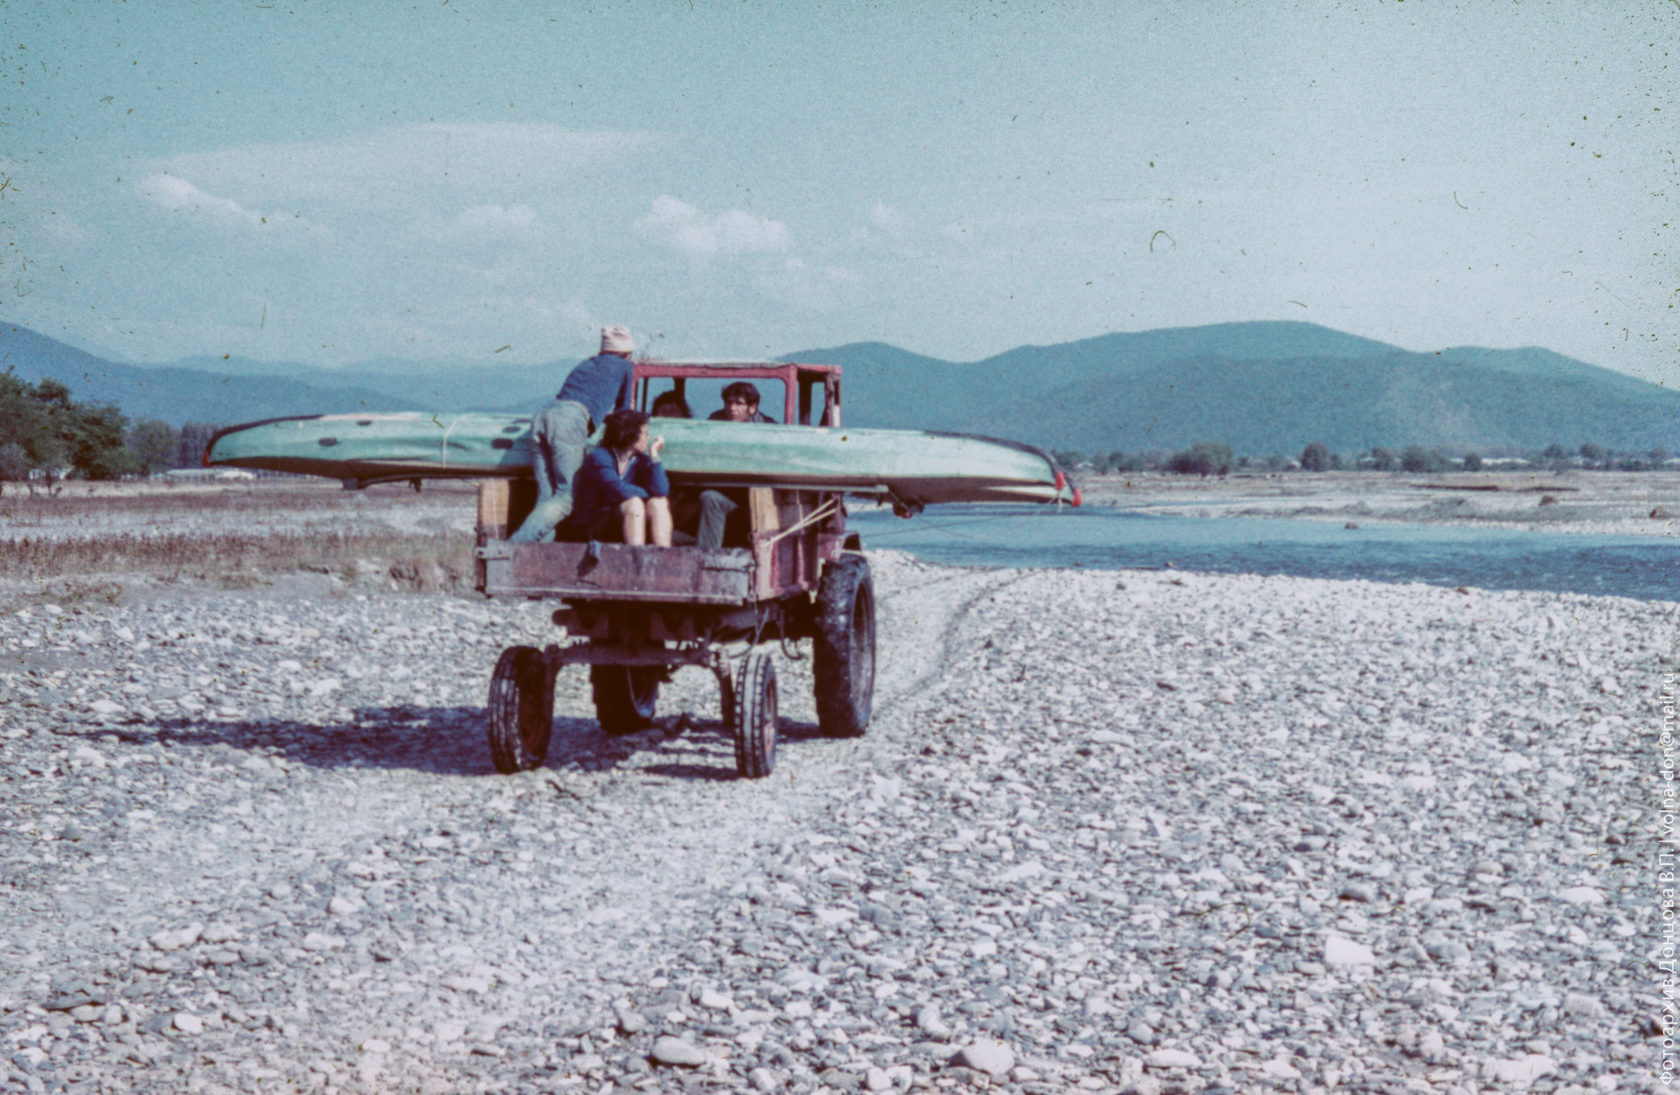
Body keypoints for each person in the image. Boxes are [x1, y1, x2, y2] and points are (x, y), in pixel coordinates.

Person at [509, 325, 637, 542]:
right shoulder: (625, 366)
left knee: (547, 498)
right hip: (570, 421)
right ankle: (513, 546)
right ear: (627, 353)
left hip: (544, 415)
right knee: (566, 498)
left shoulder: (586, 364)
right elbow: (624, 414)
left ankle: (536, 556)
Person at [558, 408, 673, 546]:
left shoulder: (640, 460)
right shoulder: (599, 458)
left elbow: (661, 491)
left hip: (626, 521)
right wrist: (648, 493)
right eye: (645, 433)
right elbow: (618, 489)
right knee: (634, 504)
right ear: (630, 434)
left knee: (658, 503)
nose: (648, 438)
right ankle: (636, 559)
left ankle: (664, 558)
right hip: (594, 524)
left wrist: (654, 455)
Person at [697, 381, 775, 549]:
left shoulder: (768, 429)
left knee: (711, 498)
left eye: (739, 404)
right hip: (726, 496)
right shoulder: (714, 422)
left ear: (752, 407)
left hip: (755, 504)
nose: (732, 408)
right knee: (708, 497)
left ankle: (707, 558)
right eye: (729, 403)